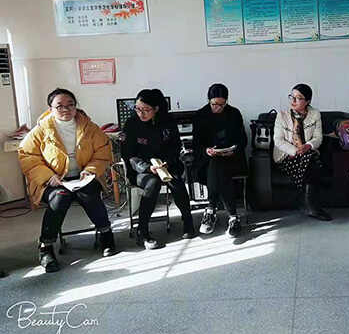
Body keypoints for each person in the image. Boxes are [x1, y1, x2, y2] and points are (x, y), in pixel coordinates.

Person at [18, 88, 117, 273]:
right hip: (53, 181)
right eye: (59, 106)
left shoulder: (90, 127)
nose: (65, 109)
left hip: (83, 177)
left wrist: (90, 171)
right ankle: (46, 247)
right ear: (50, 108)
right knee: (59, 198)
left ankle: (106, 234)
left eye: (70, 105)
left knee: (89, 194)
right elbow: (27, 157)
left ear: (75, 106)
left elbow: (103, 152)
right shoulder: (41, 130)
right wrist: (48, 177)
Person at [122, 89, 195, 249]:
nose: (141, 113)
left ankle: (188, 221)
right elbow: (129, 155)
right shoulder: (132, 124)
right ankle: (142, 231)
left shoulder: (168, 121)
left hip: (166, 165)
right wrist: (148, 168)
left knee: (176, 182)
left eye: (146, 110)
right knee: (152, 184)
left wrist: (167, 162)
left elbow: (176, 146)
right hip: (141, 169)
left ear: (156, 108)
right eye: (138, 108)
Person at [192, 84, 247, 238]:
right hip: (207, 161)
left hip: (232, 158)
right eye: (214, 104)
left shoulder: (234, 113)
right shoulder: (200, 115)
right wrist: (206, 150)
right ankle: (233, 217)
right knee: (216, 164)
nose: (218, 108)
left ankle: (210, 211)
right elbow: (196, 144)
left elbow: (243, 140)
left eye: (222, 104)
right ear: (209, 100)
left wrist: (233, 149)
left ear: (226, 101)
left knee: (218, 166)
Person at [273, 84, 332, 221]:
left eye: (298, 98)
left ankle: (307, 204)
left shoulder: (315, 114)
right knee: (313, 162)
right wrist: (295, 150)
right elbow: (278, 140)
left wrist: (308, 146)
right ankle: (311, 206)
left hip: (308, 152)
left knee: (309, 158)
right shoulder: (282, 116)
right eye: (292, 97)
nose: (293, 101)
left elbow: (318, 138)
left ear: (307, 101)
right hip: (287, 155)